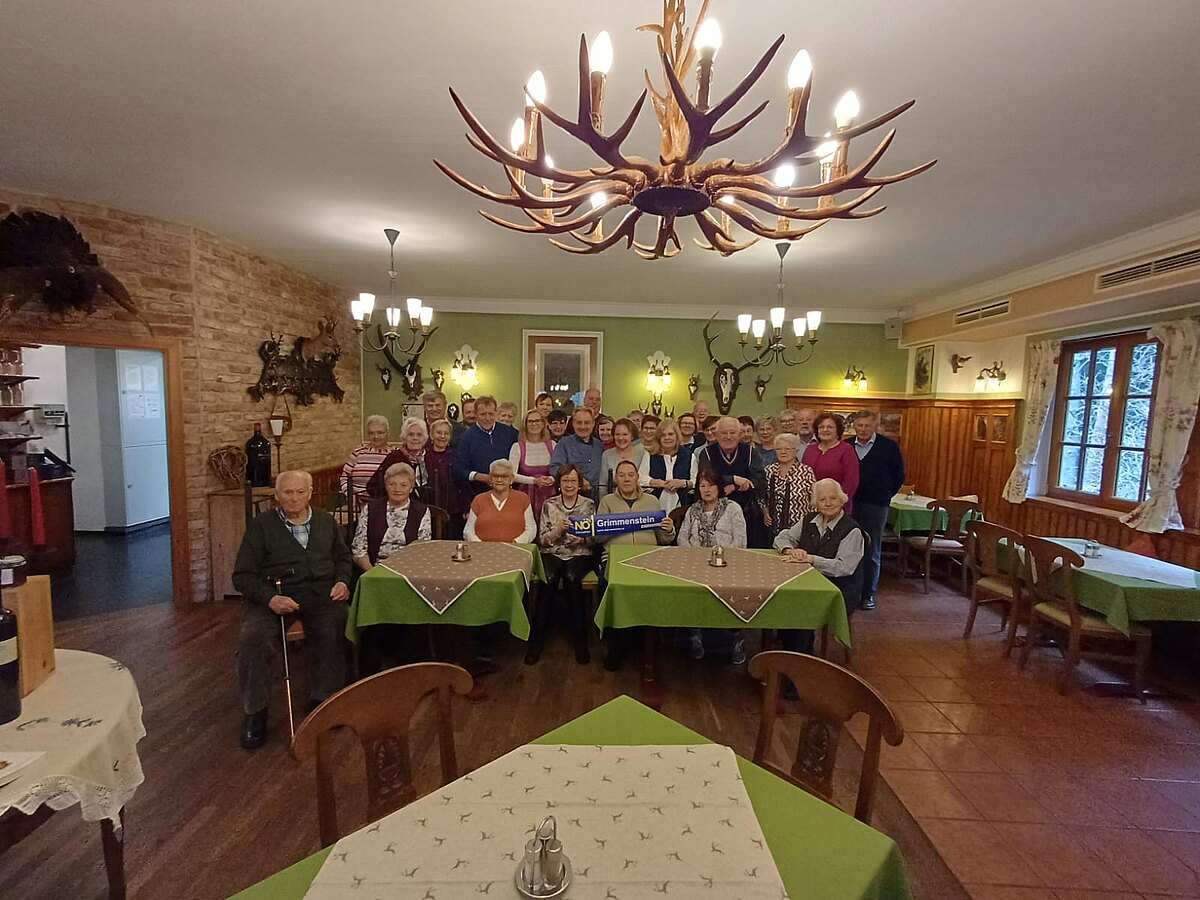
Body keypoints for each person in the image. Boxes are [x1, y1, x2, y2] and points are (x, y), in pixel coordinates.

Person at [233, 470, 353, 750]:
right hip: (274, 596)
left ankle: (324, 699)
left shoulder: (325, 521)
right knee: (253, 638)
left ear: (310, 493)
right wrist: (270, 599)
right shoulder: (261, 526)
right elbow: (242, 575)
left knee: (338, 622)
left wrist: (342, 581)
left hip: (320, 594)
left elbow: (343, 557)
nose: (294, 498)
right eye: (287, 492)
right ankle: (255, 713)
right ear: (277, 496)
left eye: (300, 492)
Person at [596, 460, 676, 669]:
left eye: (630, 475)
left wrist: (669, 529)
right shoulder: (607, 501)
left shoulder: (652, 501)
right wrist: (619, 525)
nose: (626, 479)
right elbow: (597, 539)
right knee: (610, 587)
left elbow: (664, 539)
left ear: (637, 477)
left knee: (654, 589)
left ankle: (647, 639)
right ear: (616, 479)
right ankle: (616, 643)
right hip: (615, 557)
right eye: (622, 475)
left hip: (648, 557)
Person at [773, 478, 865, 660]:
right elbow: (782, 538)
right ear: (816, 502)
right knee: (783, 596)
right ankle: (786, 652)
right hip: (806, 582)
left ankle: (801, 660)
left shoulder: (852, 530)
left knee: (803, 605)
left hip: (838, 590)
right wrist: (791, 550)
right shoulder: (809, 520)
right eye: (822, 499)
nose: (828, 503)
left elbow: (843, 567)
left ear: (842, 500)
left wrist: (812, 559)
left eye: (833, 498)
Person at [677, 467, 748, 664]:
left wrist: (719, 556)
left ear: (719, 487)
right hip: (695, 565)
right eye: (702, 486)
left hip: (726, 565)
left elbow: (741, 541)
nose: (707, 490)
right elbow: (682, 538)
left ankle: (735, 640)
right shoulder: (693, 510)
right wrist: (696, 556)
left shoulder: (732, 508)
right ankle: (695, 636)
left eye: (711, 485)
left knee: (734, 590)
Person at [529, 464, 596, 666]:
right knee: (548, 579)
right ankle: (536, 642)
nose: (569, 485)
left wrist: (581, 539)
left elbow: (593, 539)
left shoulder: (589, 505)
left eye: (573, 481)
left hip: (579, 553)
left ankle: (580, 641)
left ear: (579, 484)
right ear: (559, 484)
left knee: (571, 578)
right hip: (552, 552)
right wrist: (558, 530)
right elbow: (543, 540)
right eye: (565, 480)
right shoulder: (549, 504)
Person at [847, 409, 906, 611]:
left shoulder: (889, 447)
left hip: (876, 505)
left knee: (872, 550)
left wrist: (885, 494)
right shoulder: (847, 445)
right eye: (860, 425)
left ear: (875, 426)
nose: (863, 429)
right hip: (850, 504)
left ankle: (868, 594)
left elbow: (899, 476)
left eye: (867, 425)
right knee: (849, 548)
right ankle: (851, 592)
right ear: (854, 426)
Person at [351, 463, 432, 571]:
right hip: (375, 569)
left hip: (409, 570)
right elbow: (359, 549)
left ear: (411, 488)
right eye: (392, 484)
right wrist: (372, 573)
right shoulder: (371, 509)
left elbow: (423, 549)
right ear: (386, 486)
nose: (397, 489)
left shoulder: (421, 511)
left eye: (403, 485)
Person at [704, 416, 767, 547]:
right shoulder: (707, 453)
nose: (728, 437)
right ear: (716, 435)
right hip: (714, 511)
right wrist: (733, 478)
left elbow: (760, 480)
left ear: (739, 434)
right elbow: (706, 479)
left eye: (732, 433)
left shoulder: (750, 452)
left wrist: (734, 486)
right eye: (724, 433)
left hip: (747, 512)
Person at [454, 395, 519, 500]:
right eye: (483, 414)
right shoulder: (466, 437)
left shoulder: (510, 433)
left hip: (507, 493)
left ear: (496, 413)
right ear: (476, 414)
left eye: (491, 414)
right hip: (478, 493)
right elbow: (459, 469)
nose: (487, 418)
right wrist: (482, 477)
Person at [464, 459, 536, 542]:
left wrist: (517, 542)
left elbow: (531, 529)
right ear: (490, 478)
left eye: (504, 476)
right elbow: (468, 530)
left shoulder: (523, 499)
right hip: (483, 549)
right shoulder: (479, 500)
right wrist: (480, 544)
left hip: (515, 548)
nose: (499, 480)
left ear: (511, 479)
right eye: (495, 476)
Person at [802, 413, 860, 515]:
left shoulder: (846, 450)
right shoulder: (810, 449)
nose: (825, 430)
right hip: (810, 506)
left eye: (830, 427)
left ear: (838, 430)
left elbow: (851, 481)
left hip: (836, 507)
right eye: (821, 427)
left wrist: (839, 503)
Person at [639, 416, 696, 514]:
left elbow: (696, 481)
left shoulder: (689, 456)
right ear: (658, 438)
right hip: (654, 507)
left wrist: (683, 483)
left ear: (677, 436)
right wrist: (658, 483)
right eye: (663, 435)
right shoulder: (650, 455)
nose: (667, 438)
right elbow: (640, 479)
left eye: (670, 434)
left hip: (682, 508)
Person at [509, 409, 557, 526]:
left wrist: (552, 479)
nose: (534, 424)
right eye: (530, 421)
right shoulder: (517, 447)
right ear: (525, 425)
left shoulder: (552, 445)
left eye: (537, 421)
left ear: (543, 423)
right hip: (526, 495)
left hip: (549, 494)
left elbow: (558, 470)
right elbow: (511, 475)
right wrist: (534, 481)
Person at [763, 433, 815, 538]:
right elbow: (762, 496)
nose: (783, 452)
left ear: (796, 450)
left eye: (787, 449)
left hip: (800, 528)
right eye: (779, 449)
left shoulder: (805, 471)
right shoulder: (769, 471)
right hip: (773, 528)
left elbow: (814, 499)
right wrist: (765, 511)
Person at [340, 415, 395, 512]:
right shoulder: (358, 453)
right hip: (356, 505)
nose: (376, 436)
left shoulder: (394, 454)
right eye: (371, 433)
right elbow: (344, 477)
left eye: (380, 432)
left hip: (386, 506)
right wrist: (350, 495)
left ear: (387, 433)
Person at [365, 417, 429, 499]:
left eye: (419, 435)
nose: (415, 438)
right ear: (404, 437)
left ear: (424, 438)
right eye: (411, 434)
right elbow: (372, 486)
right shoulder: (394, 457)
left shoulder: (430, 458)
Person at [549, 406, 604, 501]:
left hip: (596, 500)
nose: (583, 426)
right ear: (573, 424)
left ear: (593, 424)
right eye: (579, 422)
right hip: (570, 500)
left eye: (587, 423)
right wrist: (579, 481)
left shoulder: (599, 445)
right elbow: (555, 468)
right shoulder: (564, 443)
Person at [424, 418, 463, 533]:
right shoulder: (424, 455)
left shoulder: (457, 455)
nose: (442, 436)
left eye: (446, 433)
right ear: (431, 435)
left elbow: (462, 481)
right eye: (439, 432)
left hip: (452, 506)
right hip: (430, 504)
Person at [600, 418, 646, 496]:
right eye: (617, 434)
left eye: (625, 434)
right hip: (614, 499)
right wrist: (603, 502)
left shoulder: (642, 453)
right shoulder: (607, 454)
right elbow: (603, 485)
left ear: (632, 436)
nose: (620, 438)